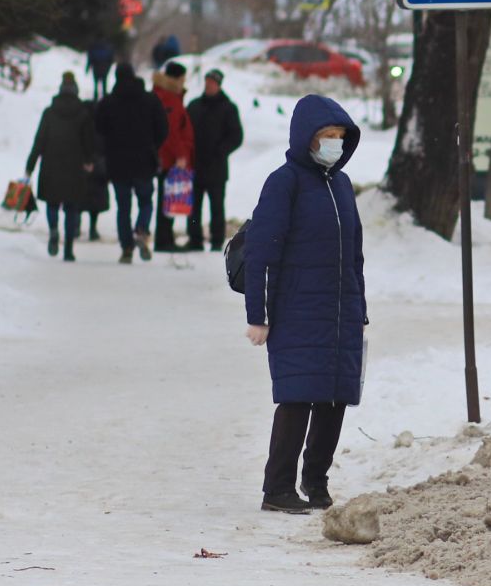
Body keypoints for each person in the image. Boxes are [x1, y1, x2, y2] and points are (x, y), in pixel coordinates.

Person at [243, 96, 366, 514]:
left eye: (339, 137)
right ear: (306, 139)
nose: (334, 143)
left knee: (334, 400)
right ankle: (276, 488)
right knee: (297, 397)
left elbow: (355, 255)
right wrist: (258, 315)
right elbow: (263, 250)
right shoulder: (285, 182)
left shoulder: (342, 186)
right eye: (326, 137)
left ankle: (316, 481)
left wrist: (358, 306)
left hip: (339, 312)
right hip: (296, 309)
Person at [97, 63, 168, 263]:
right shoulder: (150, 100)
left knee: (123, 207)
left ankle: (127, 249)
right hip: (144, 161)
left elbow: (99, 131)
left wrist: (107, 151)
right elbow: (163, 128)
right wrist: (153, 145)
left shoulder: (108, 103)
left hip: (117, 164)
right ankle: (142, 230)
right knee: (146, 201)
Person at [25, 72, 97, 262]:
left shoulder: (49, 112)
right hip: (75, 166)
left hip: (51, 164)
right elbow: (88, 141)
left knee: (52, 203)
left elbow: (39, 140)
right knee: (72, 208)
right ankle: (69, 249)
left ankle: (54, 230)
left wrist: (30, 166)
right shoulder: (83, 114)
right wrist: (89, 161)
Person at [186, 68, 244, 251]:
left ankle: (217, 241)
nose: (208, 85)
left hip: (216, 167)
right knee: (193, 208)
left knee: (216, 207)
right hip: (195, 165)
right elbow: (184, 131)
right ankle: (194, 239)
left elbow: (236, 136)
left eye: (212, 83)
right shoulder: (194, 105)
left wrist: (220, 151)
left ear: (218, 85)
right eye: (207, 82)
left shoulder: (228, 108)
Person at [152, 62, 196, 253]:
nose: (184, 82)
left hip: (167, 156)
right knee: (167, 198)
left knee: (168, 197)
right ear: (176, 79)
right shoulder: (169, 99)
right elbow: (170, 132)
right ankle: (163, 240)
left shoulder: (167, 96)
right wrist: (180, 155)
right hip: (170, 158)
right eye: (183, 79)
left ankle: (165, 238)